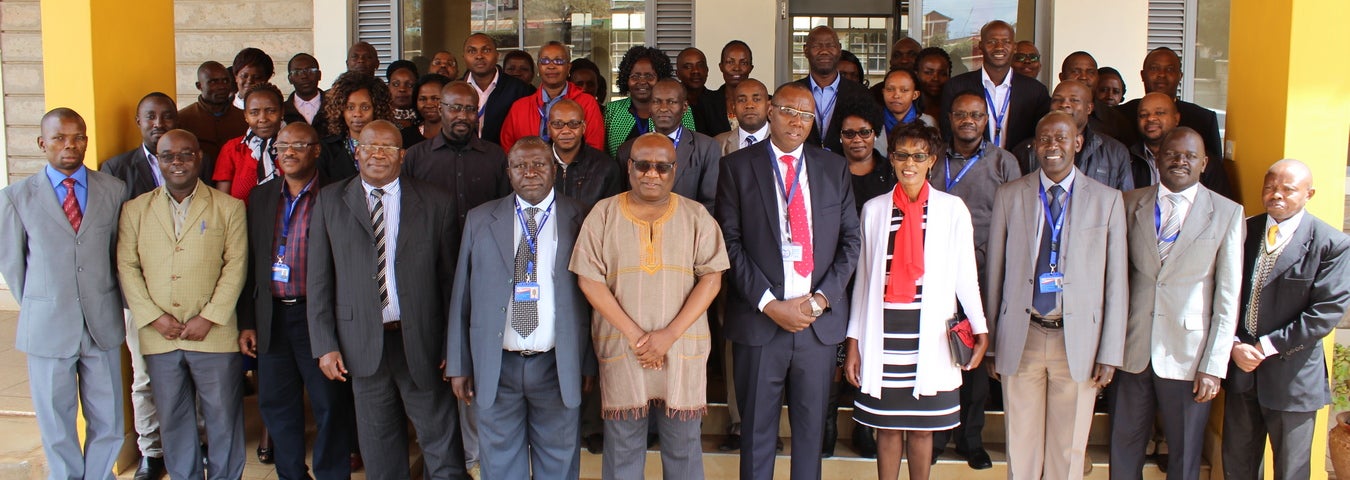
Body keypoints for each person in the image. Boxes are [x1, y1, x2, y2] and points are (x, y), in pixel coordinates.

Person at [716, 82, 861, 480]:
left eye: (806, 115)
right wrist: (768, 303)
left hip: (816, 324)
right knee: (756, 433)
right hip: (761, 322)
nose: (797, 121)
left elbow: (852, 241)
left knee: (810, 435)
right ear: (770, 112)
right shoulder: (737, 167)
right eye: (788, 111)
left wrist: (820, 301)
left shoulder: (833, 168)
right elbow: (729, 243)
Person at [307, 119, 465, 480]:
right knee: (379, 446)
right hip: (361, 343)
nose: (378, 154)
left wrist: (450, 346)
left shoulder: (435, 201)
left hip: (422, 342)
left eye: (388, 148)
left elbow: (450, 284)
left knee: (440, 441)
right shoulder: (330, 201)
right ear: (356, 152)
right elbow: (318, 281)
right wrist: (325, 345)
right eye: (369, 146)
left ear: (402, 155)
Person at [571, 133, 729, 480]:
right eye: (643, 165)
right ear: (629, 168)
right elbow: (588, 279)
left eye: (662, 166)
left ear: (675, 170)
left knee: (683, 446)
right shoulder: (604, 213)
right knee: (623, 445)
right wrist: (639, 337)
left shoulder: (696, 216)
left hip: (681, 348)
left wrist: (668, 336)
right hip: (624, 348)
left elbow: (712, 278)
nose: (652, 174)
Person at [985, 111, 1127, 480]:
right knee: (1021, 442)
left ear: (1077, 143)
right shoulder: (1010, 195)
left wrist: (1110, 352)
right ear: (1035, 145)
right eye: (1044, 139)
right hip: (1023, 332)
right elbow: (995, 272)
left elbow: (1117, 283)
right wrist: (991, 344)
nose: (1052, 147)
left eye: (1061, 139)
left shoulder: (1109, 201)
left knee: (1069, 448)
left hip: (1078, 339)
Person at [844, 122, 989, 480]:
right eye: (902, 155)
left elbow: (965, 275)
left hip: (932, 336)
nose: (909, 163)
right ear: (891, 159)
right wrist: (853, 342)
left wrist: (981, 327)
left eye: (918, 155)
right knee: (889, 428)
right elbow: (862, 281)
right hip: (885, 334)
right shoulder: (875, 210)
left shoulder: (952, 209)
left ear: (932, 161)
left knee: (924, 428)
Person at [446, 136, 595, 479]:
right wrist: (458, 362)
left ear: (555, 170)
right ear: (508, 172)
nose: (530, 172)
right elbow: (462, 295)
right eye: (520, 165)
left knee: (558, 464)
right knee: (499, 465)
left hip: (556, 365)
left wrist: (587, 360)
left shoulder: (580, 217)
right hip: (497, 365)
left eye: (539, 164)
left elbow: (591, 300)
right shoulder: (481, 219)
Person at [0, 108, 128, 480]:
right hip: (47, 326)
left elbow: (116, 253)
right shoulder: (16, 197)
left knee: (109, 418)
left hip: (100, 322)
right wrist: (44, 305)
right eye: (59, 137)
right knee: (56, 423)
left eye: (78, 137)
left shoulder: (112, 190)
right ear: (42, 143)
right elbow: (13, 266)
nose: (70, 145)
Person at [1110, 127, 1242, 480]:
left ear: (1203, 163)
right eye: (1172, 154)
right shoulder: (1128, 203)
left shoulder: (1227, 213)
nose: (1179, 161)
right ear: (1158, 158)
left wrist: (1214, 364)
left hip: (1190, 356)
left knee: (1184, 458)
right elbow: (1114, 280)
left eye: (1189, 156)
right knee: (1123, 448)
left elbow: (1228, 297)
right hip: (1132, 349)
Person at [117, 129, 249, 480]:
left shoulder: (229, 208)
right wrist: (153, 317)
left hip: (214, 334)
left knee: (222, 418)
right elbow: (127, 267)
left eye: (186, 154)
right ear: (157, 161)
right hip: (160, 335)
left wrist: (210, 317)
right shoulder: (134, 210)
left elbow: (236, 266)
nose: (177, 162)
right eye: (168, 156)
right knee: (173, 420)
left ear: (199, 158)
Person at [238, 122, 357, 480]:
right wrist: (247, 320)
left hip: (318, 317)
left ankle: (331, 473)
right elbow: (250, 261)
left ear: (316, 151)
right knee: (276, 405)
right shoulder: (261, 196)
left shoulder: (338, 195)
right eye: (281, 146)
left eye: (298, 145)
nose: (288, 152)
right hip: (271, 316)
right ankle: (291, 473)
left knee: (329, 404)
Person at [1223, 159, 1350, 480]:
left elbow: (1324, 314)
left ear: (1309, 194)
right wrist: (1234, 344)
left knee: (1291, 472)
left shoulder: (1331, 244)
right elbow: (1221, 294)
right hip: (1241, 373)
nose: (1276, 195)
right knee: (1237, 466)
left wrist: (1264, 347)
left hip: (1292, 379)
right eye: (1270, 187)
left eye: (1288, 189)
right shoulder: (1244, 231)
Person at [926, 90, 1022, 470]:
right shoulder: (932, 159)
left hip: (981, 275)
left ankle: (971, 439)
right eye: (961, 114)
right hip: (932, 273)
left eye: (977, 115)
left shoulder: (1004, 162)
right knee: (935, 355)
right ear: (950, 118)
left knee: (975, 360)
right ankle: (934, 437)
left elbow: (1019, 219)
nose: (969, 120)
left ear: (987, 120)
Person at [100, 94, 175, 480]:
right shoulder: (116, 169)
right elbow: (115, 241)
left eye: (166, 116)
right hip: (141, 294)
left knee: (190, 372)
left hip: (188, 290)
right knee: (144, 377)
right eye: (150, 117)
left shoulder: (190, 157)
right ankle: (152, 451)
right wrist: (136, 299)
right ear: (138, 121)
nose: (158, 123)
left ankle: (193, 443)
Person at [401, 81, 512, 231]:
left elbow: (506, 209)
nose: (463, 116)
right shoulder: (415, 156)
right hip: (433, 250)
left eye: (470, 109)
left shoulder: (496, 156)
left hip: (482, 246)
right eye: (455, 108)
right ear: (440, 109)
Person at [939, 20, 1050, 150]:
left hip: (1020, 167)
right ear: (980, 46)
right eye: (991, 41)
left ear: (1014, 47)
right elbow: (948, 134)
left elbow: (1040, 136)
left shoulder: (1036, 91)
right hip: (970, 166)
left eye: (1006, 42)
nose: (999, 47)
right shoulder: (956, 87)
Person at [616, 78, 720, 212]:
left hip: (687, 229)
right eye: (657, 102)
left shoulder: (707, 148)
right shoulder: (627, 150)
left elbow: (710, 203)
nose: (663, 108)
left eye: (671, 102)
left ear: (684, 107)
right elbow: (622, 201)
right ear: (649, 107)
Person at [1012, 81, 1133, 190]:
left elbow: (1125, 203)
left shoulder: (1115, 152)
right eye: (1057, 100)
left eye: (1074, 100)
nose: (1064, 104)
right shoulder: (1026, 150)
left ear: (1089, 108)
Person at [1116, 47, 1223, 159]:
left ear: (1180, 76)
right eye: (1154, 68)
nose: (1161, 74)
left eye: (1170, 69)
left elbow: (1214, 170)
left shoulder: (1203, 119)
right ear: (1142, 75)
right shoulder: (1120, 116)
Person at [500, 42, 606, 153]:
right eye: (545, 61)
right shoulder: (520, 107)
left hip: (577, 169)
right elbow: (508, 149)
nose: (551, 66)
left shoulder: (586, 103)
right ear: (539, 67)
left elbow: (595, 147)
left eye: (558, 61)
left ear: (568, 67)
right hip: (530, 169)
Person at [1128, 93, 1231, 198]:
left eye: (1159, 113)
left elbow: (1221, 207)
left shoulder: (1202, 161)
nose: (1150, 118)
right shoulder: (1127, 158)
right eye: (1143, 115)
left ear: (1176, 119)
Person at [795, 25, 875, 153]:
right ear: (805, 50)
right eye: (817, 46)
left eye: (830, 46)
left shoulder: (861, 93)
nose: (824, 51)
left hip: (847, 167)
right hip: (803, 167)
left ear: (839, 49)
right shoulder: (793, 92)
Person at [605, 46, 695, 157]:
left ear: (660, 78)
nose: (642, 81)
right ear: (626, 79)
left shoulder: (679, 109)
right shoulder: (612, 110)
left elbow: (690, 148)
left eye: (649, 76)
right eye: (635, 76)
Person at [316, 72, 394, 182]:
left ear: (377, 110)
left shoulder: (391, 147)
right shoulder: (327, 149)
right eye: (350, 107)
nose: (357, 113)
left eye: (365, 107)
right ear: (341, 110)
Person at [214, 83, 286, 201]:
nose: (263, 118)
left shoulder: (295, 147)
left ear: (282, 111)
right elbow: (223, 206)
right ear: (245, 116)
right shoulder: (232, 149)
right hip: (241, 219)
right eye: (254, 112)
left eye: (271, 111)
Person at [463, 33, 534, 145]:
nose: (479, 56)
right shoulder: (455, 90)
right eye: (472, 51)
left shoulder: (519, 89)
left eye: (486, 50)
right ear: (464, 57)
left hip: (504, 158)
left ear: (497, 55)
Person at [548, 99, 622, 207]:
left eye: (574, 124)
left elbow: (612, 215)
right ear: (549, 128)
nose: (566, 131)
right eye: (558, 124)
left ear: (583, 128)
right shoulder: (536, 164)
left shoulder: (605, 167)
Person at [177, 61, 243, 177]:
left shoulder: (243, 119)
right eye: (213, 82)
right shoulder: (183, 119)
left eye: (225, 81)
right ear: (199, 86)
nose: (221, 86)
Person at [1057, 52, 1135, 144]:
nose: (1083, 77)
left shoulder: (1117, 121)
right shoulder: (1046, 112)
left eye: (1090, 72)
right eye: (1076, 71)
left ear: (1097, 78)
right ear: (1061, 77)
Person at [839, 109, 895, 211]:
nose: (857, 139)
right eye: (849, 133)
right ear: (840, 136)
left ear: (875, 135)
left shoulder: (892, 172)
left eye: (864, 132)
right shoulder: (829, 172)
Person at [875, 69, 937, 153]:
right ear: (883, 92)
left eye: (904, 90)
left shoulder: (928, 122)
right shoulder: (873, 122)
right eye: (890, 89)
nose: (896, 95)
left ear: (915, 95)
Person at [677, 47, 731, 136]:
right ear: (677, 73)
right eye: (688, 67)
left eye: (700, 65)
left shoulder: (719, 102)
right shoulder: (671, 104)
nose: (695, 71)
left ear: (707, 70)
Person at [714, 78, 770, 156]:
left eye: (756, 99)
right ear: (733, 107)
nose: (749, 105)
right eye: (742, 100)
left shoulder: (784, 141)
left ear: (769, 106)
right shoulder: (717, 144)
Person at [400, 73, 453, 148]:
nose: (429, 105)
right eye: (423, 99)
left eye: (435, 99)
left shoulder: (458, 135)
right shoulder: (406, 136)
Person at [283, 53, 329, 136]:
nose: (304, 76)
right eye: (297, 72)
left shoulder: (334, 107)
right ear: (290, 79)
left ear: (319, 75)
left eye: (310, 71)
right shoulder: (282, 111)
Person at [713, 41, 755, 130]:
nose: (736, 68)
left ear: (751, 68)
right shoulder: (706, 104)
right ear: (721, 67)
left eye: (743, 63)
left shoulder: (767, 102)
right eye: (730, 62)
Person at [869, 37, 922, 104]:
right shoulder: (875, 93)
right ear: (890, 62)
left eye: (912, 55)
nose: (904, 60)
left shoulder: (929, 92)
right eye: (897, 56)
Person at [915, 48, 952, 120]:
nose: (936, 78)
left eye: (942, 74)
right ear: (917, 74)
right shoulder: (907, 109)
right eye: (928, 73)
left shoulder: (954, 108)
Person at [386, 60, 420, 129]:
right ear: (388, 87)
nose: (402, 89)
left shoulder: (425, 118)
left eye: (409, 85)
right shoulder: (378, 117)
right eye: (396, 84)